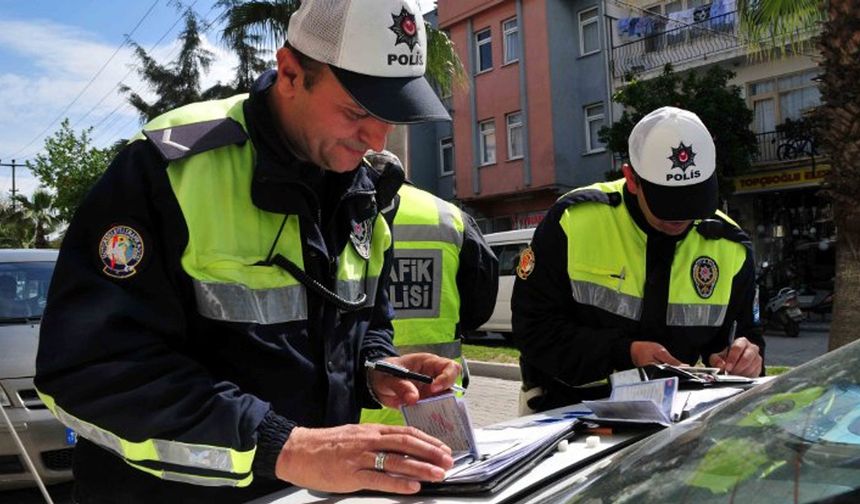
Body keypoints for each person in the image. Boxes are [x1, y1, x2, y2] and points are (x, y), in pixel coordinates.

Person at [35, 1, 463, 502]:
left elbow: (364, 322)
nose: (376, 138)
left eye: (391, 116)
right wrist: (285, 446)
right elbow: (90, 371)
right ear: (289, 73)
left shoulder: (365, 190)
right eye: (356, 111)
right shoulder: (170, 169)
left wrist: (376, 370)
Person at [512, 106, 765, 413]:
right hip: (566, 409)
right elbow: (533, 330)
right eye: (669, 202)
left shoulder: (730, 245)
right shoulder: (573, 221)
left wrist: (745, 357)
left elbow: (744, 337)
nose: (682, 217)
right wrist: (625, 352)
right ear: (631, 178)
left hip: (674, 417)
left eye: (695, 198)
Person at [360, 151, 499, 425]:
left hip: (356, 413)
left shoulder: (341, 211)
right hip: (433, 406)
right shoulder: (450, 217)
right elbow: (479, 307)